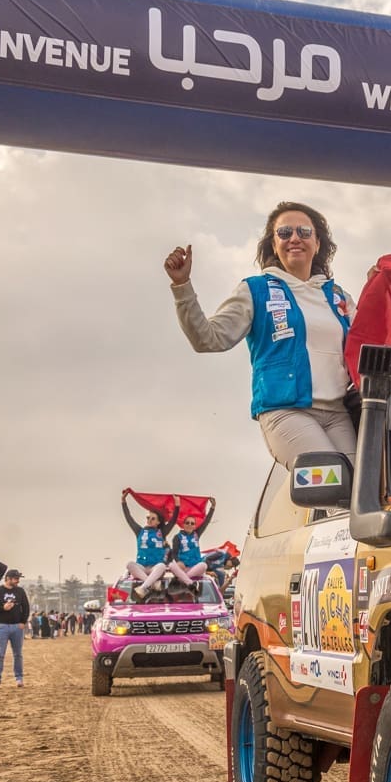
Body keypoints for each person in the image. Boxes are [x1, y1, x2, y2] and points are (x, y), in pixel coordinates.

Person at [164, 201, 356, 469]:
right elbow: (208, 339)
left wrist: (379, 290)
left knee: (365, 485)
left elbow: (368, 341)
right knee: (330, 478)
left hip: (337, 413)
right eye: (284, 233)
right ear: (274, 245)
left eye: (304, 231)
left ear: (318, 243)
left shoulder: (338, 296)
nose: (295, 238)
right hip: (286, 411)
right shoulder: (256, 290)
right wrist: (182, 286)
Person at [0, 568, 30, 688]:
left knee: (18, 654)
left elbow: (26, 607)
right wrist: (3, 608)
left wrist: (23, 622)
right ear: (8, 578)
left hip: (17, 626)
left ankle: (19, 678)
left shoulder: (20, 591)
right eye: (16, 579)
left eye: (18, 579)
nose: (18, 581)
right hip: (1, 626)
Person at [123, 493, 176, 595]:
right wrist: (123, 502)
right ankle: (152, 584)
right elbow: (129, 518)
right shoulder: (139, 531)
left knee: (162, 566)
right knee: (129, 564)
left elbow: (173, 521)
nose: (149, 520)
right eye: (148, 518)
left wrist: (177, 505)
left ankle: (143, 587)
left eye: (153, 518)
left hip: (155, 568)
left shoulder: (162, 532)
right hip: (142, 568)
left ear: (158, 522)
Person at [168, 513, 211, 586]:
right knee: (171, 565)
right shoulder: (177, 537)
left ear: (194, 526)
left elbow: (206, 522)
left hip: (196, 568)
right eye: (187, 523)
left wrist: (212, 508)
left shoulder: (196, 534)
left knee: (204, 565)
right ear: (183, 525)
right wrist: (178, 561)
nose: (189, 525)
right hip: (184, 568)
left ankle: (182, 580)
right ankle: (189, 582)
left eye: (192, 523)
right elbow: (174, 553)